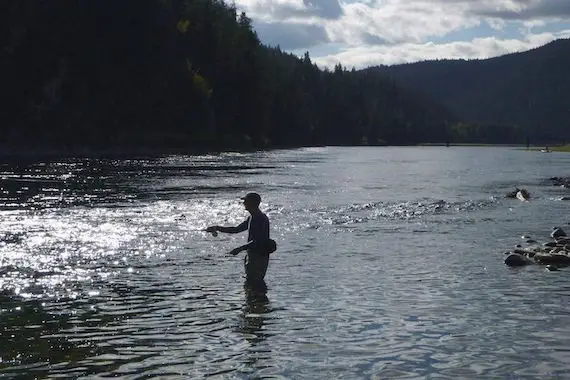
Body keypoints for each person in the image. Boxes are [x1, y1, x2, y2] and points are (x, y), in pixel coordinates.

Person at [206, 192, 271, 286]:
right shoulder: (253, 217)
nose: (244, 203)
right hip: (254, 254)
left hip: (258, 256)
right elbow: (236, 229)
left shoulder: (259, 218)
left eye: (245, 201)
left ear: (252, 203)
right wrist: (216, 228)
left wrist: (239, 249)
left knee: (254, 283)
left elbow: (258, 241)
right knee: (252, 283)